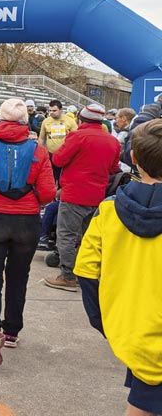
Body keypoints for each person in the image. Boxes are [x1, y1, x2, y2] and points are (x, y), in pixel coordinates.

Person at [74, 119, 162, 416]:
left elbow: (86, 271)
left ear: (133, 159)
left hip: (133, 335)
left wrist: (107, 323)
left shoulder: (109, 210)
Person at [0, 98, 56, 368]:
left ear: (0, 119)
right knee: (18, 277)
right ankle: (12, 330)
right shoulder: (37, 150)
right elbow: (49, 193)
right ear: (26, 122)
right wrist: (31, 200)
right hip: (26, 222)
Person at [44, 103, 120, 292]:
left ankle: (68, 276)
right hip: (97, 195)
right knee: (88, 237)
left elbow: (58, 159)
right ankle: (86, 275)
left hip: (74, 194)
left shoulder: (77, 136)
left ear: (81, 119)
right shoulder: (112, 140)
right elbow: (113, 168)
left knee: (66, 236)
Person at [39, 99, 78, 183]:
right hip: (51, 154)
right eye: (50, 110)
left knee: (64, 178)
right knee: (51, 177)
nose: (51, 112)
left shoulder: (70, 121)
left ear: (61, 110)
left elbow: (76, 138)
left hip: (66, 154)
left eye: (54, 110)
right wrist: (40, 151)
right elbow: (42, 138)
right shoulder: (46, 121)